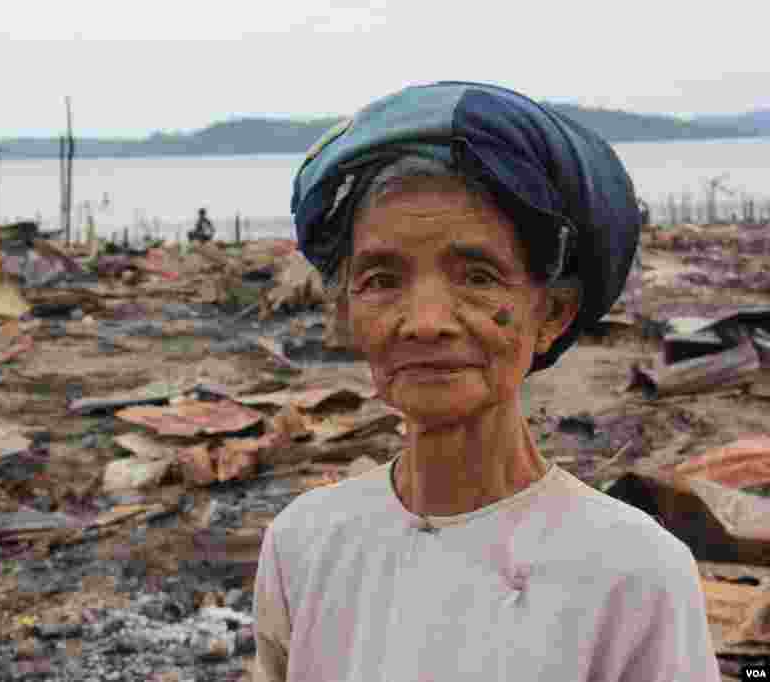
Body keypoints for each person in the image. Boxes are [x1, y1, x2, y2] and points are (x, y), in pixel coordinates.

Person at [253, 82, 719, 682]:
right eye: (381, 279)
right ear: (348, 313)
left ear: (551, 314)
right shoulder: (305, 545)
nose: (424, 323)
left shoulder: (633, 574)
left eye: (477, 275)